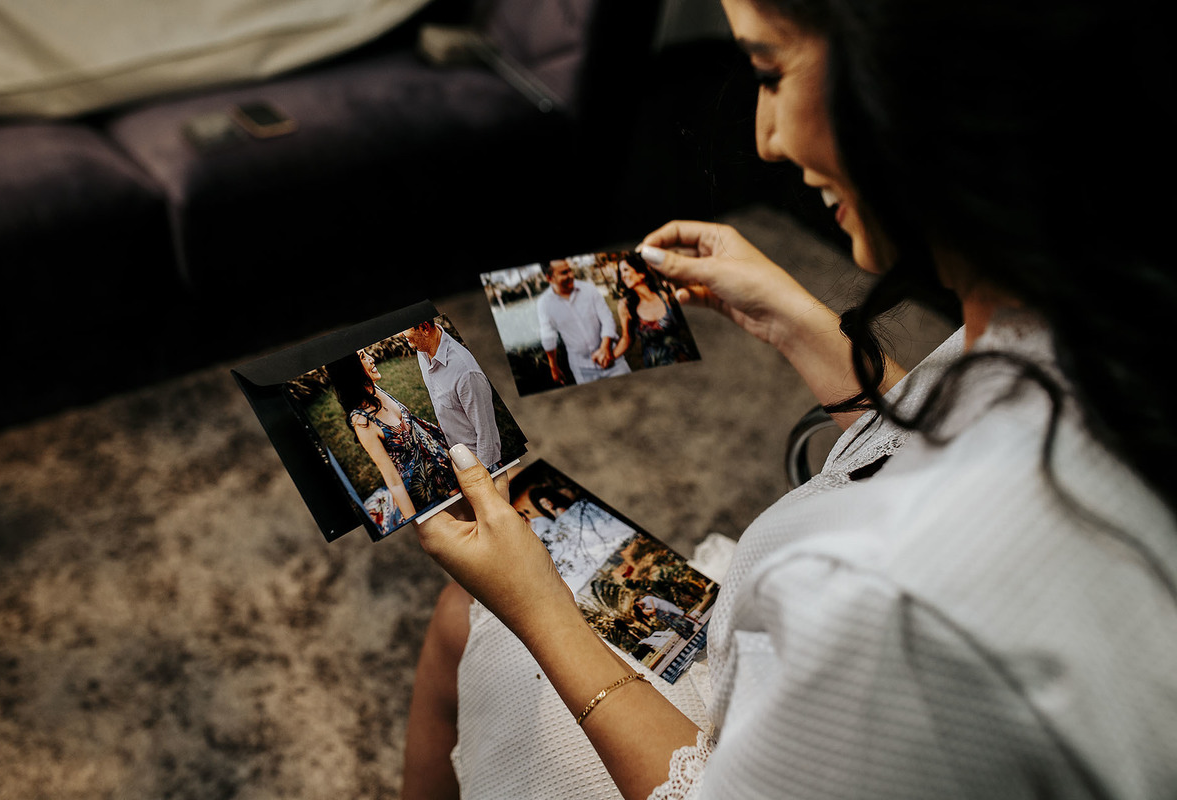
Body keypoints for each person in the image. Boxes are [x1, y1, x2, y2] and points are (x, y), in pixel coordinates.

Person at [403, 0, 1177, 798]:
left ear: (921, 84)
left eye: (771, 72)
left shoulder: (891, 603)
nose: (766, 140)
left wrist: (542, 612)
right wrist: (801, 321)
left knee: (469, 614)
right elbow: (960, 432)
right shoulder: (1101, 324)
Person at [324, 350, 457, 522]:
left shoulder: (373, 389)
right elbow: (393, 480)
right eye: (363, 357)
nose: (372, 359)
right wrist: (415, 520)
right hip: (421, 490)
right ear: (350, 370)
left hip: (437, 462)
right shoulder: (362, 421)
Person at [402, 320, 502, 469]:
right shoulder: (422, 352)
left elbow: (487, 433)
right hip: (455, 455)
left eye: (409, 336)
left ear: (424, 328)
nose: (407, 342)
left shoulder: (466, 372)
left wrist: (483, 471)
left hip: (477, 462)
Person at [537, 258, 632, 385]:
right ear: (549, 278)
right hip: (583, 369)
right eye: (564, 273)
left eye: (570, 270)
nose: (571, 275)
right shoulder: (544, 303)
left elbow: (607, 318)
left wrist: (605, 348)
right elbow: (548, 337)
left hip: (613, 360)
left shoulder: (589, 290)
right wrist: (553, 366)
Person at [611, 252, 699, 368]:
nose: (623, 276)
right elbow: (626, 338)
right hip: (656, 366)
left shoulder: (665, 296)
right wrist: (609, 358)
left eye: (626, 270)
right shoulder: (626, 306)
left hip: (685, 360)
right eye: (621, 272)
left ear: (642, 273)